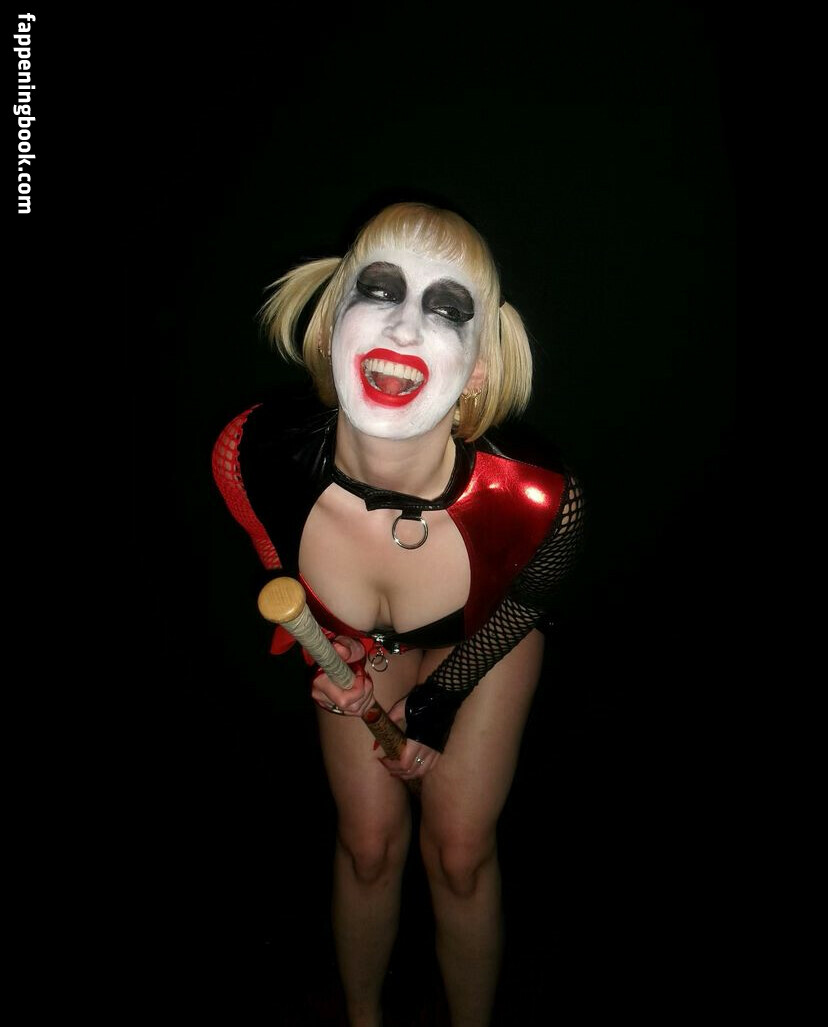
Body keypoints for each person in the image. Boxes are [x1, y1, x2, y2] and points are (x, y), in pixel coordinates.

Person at [212, 202, 584, 1027]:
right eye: (378, 290)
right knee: (368, 846)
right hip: (360, 643)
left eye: (448, 308)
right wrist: (327, 646)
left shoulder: (538, 497)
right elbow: (281, 572)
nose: (406, 327)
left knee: (459, 853)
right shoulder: (250, 455)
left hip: (484, 637)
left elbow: (529, 599)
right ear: (329, 324)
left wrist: (439, 700)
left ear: (478, 368)